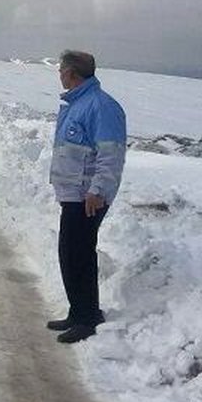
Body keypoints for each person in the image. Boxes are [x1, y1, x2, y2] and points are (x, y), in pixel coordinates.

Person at [46, 50, 127, 344]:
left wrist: (98, 190)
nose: (59, 74)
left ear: (72, 73)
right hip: (73, 195)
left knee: (79, 255)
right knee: (70, 254)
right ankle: (77, 312)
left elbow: (111, 153)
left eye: (61, 70)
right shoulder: (77, 104)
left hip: (87, 197)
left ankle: (88, 317)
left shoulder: (101, 107)